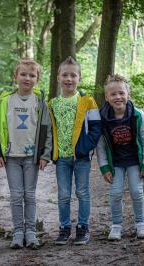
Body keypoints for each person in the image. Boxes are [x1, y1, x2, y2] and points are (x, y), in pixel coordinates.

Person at [0, 59, 52, 249]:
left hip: (31, 158)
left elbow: (47, 129)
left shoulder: (40, 101)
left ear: (37, 79)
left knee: (30, 195)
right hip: (11, 157)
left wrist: (45, 154)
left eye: (32, 75)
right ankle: (18, 232)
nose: (27, 78)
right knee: (16, 194)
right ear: (15, 76)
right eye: (23, 74)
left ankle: (31, 232)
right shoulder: (6, 100)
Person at [49, 56, 102, 245]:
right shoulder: (53, 104)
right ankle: (64, 228)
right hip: (61, 157)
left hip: (81, 157)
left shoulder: (88, 101)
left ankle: (82, 227)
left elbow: (96, 128)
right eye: (65, 75)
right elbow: (50, 130)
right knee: (63, 194)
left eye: (73, 75)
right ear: (58, 77)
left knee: (82, 192)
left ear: (79, 78)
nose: (69, 79)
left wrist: (86, 146)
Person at [96, 74, 144, 241]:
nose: (118, 97)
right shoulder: (103, 118)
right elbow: (100, 145)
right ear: (107, 97)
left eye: (121, 93)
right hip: (116, 163)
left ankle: (140, 223)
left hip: (135, 161)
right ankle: (116, 225)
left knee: (137, 191)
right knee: (115, 193)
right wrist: (105, 167)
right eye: (113, 94)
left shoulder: (137, 115)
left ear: (128, 94)